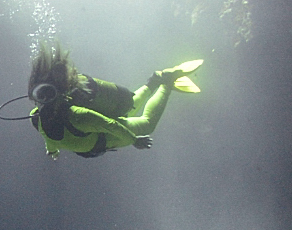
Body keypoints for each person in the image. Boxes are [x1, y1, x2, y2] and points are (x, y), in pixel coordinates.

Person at [21, 41, 202, 159]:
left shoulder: (76, 116)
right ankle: (155, 80)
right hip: (99, 133)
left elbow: (110, 125)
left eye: (46, 94)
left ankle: (167, 83)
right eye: (40, 95)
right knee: (129, 107)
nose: (44, 101)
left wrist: (134, 141)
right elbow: (48, 135)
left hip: (107, 137)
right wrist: (52, 150)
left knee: (147, 124)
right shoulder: (36, 118)